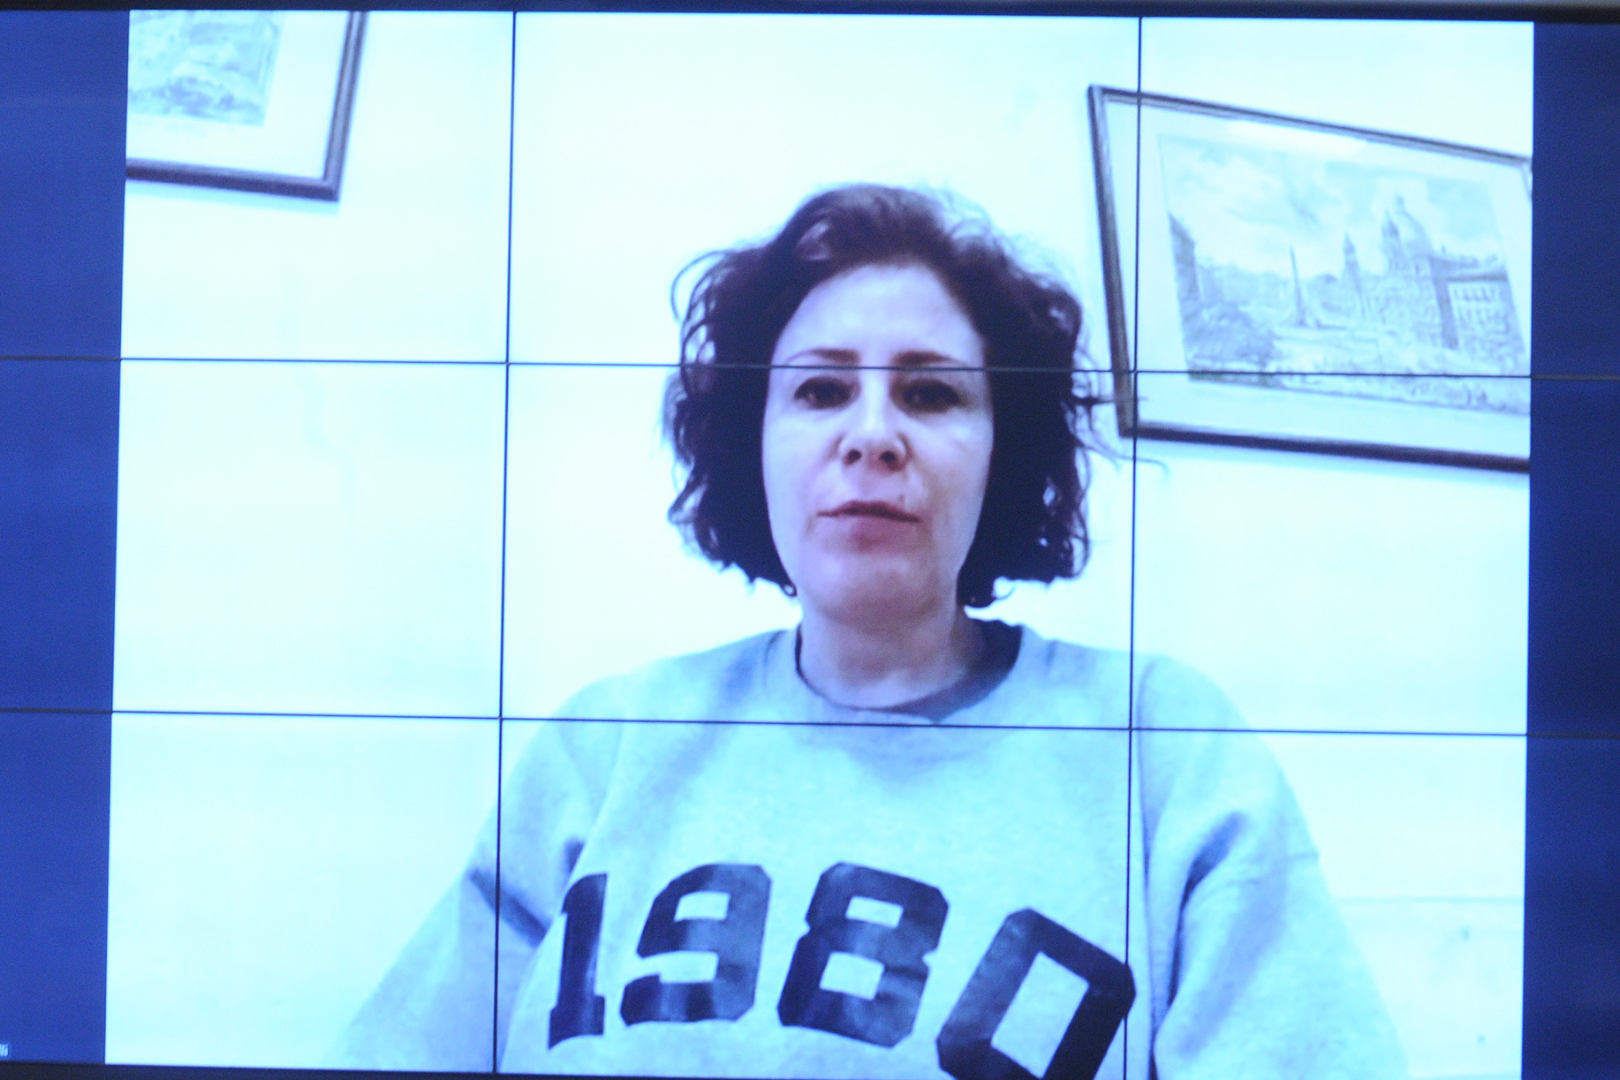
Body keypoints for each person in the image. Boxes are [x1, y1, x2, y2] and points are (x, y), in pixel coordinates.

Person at [331, 185, 1406, 1079]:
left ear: (1004, 453)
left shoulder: (1165, 749)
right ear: (753, 443)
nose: (874, 435)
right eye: (821, 390)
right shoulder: (605, 744)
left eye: (932, 394)